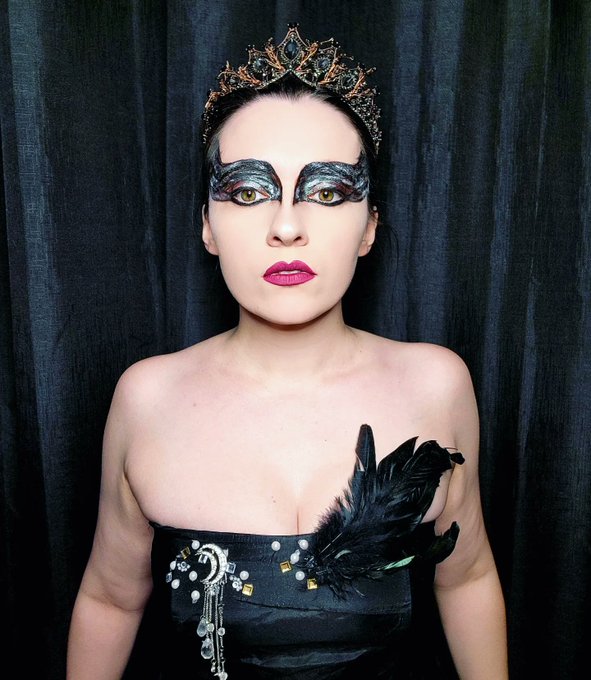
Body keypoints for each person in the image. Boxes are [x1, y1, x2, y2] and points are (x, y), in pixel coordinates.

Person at [67, 25, 507, 679]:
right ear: (207, 225)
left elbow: (467, 578)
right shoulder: (147, 398)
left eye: (327, 193)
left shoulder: (435, 385)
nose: (287, 226)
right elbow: (109, 598)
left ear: (370, 227)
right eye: (248, 192)